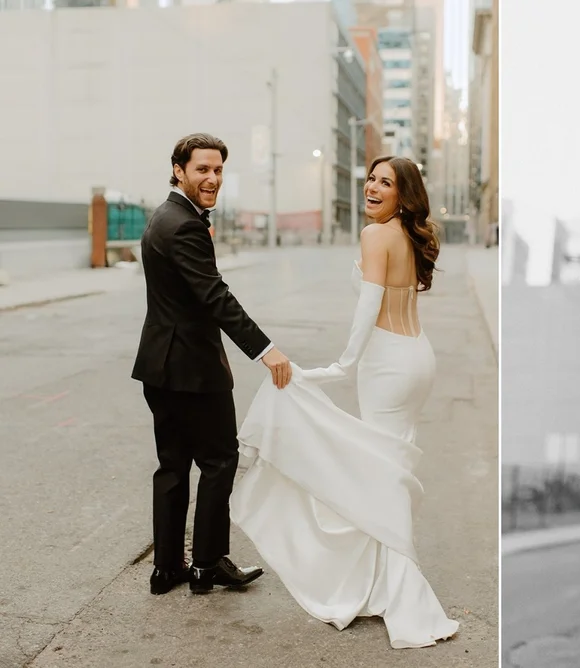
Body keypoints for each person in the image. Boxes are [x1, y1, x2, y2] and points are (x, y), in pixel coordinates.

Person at [231, 156, 460, 649]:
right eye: (371, 179)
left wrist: (343, 364)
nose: (373, 188)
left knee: (380, 476)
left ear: (405, 194)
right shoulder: (408, 233)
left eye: (386, 183)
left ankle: (404, 595)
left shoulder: (376, 235)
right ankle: (382, 583)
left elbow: (368, 305)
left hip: (386, 365)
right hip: (416, 357)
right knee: (388, 467)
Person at [132, 133, 292, 596]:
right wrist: (265, 349)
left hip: (160, 367)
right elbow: (214, 295)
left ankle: (166, 569)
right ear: (179, 169)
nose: (212, 178)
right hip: (193, 369)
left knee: (173, 466)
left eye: (218, 170)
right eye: (202, 169)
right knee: (220, 460)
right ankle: (205, 565)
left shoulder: (165, 216)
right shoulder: (184, 224)